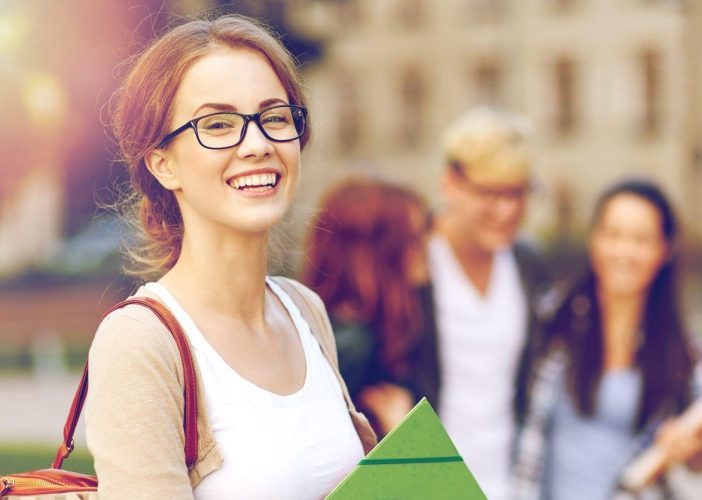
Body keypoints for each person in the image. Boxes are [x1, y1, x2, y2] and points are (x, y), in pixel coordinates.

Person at [85, 15, 375, 499]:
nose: (258, 144)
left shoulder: (304, 309)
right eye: (218, 125)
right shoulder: (138, 344)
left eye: (275, 117)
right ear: (163, 164)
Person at [514, 179, 702, 500]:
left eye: (641, 240)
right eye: (613, 235)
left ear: (664, 250)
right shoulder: (551, 324)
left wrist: (692, 449)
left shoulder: (685, 351)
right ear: (594, 240)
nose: (624, 252)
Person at [416, 107, 552, 500]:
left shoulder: (527, 263)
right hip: (427, 483)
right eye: (491, 193)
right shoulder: (414, 260)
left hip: (507, 486)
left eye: (519, 193)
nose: (508, 210)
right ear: (450, 184)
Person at [301, 177, 433, 435]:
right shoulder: (350, 345)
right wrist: (405, 432)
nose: (427, 247)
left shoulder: (380, 327)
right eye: (416, 238)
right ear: (379, 251)